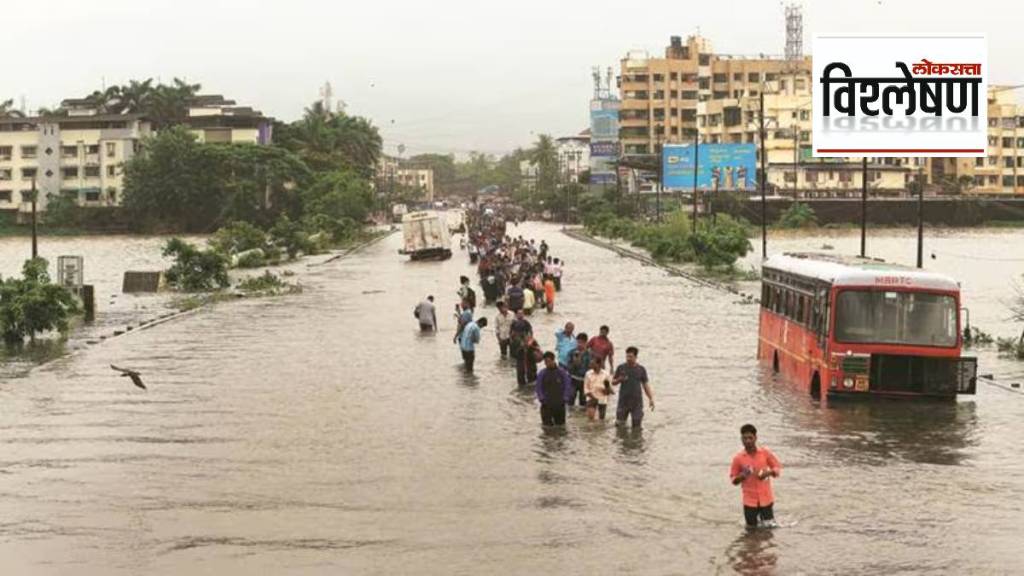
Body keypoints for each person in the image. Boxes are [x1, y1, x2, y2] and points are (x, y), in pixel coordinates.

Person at [729, 424, 782, 529]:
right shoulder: (738, 458)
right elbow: (733, 480)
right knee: (750, 531)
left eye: (750, 438)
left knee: (769, 530)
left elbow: (777, 467)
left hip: (766, 500)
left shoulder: (765, 453)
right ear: (741, 439)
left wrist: (768, 473)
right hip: (749, 502)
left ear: (755, 438)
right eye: (745, 438)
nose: (748, 441)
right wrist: (742, 476)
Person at [612, 346, 654, 428]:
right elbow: (613, 382)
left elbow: (645, 385)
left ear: (636, 357)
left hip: (636, 403)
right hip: (623, 402)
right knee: (619, 425)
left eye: (631, 357)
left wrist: (651, 398)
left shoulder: (641, 369)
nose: (628, 359)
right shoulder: (621, 367)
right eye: (627, 356)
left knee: (637, 427)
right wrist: (620, 379)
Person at [535, 352, 574, 426]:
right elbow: (538, 387)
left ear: (553, 360)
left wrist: (565, 397)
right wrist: (541, 398)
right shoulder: (542, 373)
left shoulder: (562, 372)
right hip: (546, 405)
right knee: (546, 427)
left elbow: (568, 385)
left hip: (559, 404)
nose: (547, 364)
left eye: (548, 361)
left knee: (560, 427)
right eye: (545, 362)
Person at [566, 333, 590, 407]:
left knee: (583, 402)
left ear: (586, 342)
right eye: (578, 342)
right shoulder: (571, 353)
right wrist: (575, 363)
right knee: (570, 399)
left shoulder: (590, 354)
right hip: (573, 379)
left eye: (582, 342)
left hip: (585, 380)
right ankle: (571, 414)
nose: (579, 344)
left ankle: (581, 414)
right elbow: (568, 367)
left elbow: (591, 369)